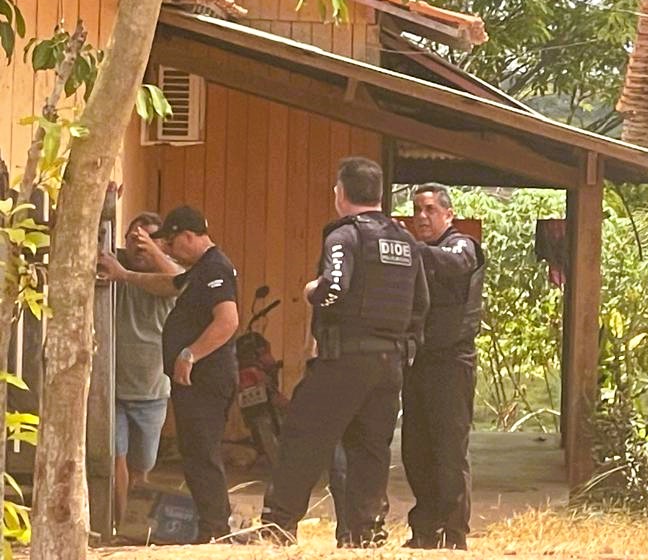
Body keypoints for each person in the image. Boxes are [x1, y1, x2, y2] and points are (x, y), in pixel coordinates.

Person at [258, 157, 428, 546]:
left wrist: (311, 292)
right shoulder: (406, 242)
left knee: (303, 435)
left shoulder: (345, 237)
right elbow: (422, 304)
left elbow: (334, 288)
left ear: (340, 193)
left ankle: (278, 525)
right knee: (370, 448)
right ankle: (365, 532)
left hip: (346, 358)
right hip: (390, 362)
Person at [99, 205, 240, 543]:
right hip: (194, 381)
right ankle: (210, 524)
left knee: (202, 452)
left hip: (207, 377)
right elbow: (169, 283)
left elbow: (228, 320)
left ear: (188, 236)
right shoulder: (199, 270)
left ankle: (215, 527)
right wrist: (125, 275)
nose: (170, 251)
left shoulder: (216, 268)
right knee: (194, 452)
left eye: (172, 244)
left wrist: (191, 354)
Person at [402, 183, 485, 551]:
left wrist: (411, 248)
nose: (422, 216)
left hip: (452, 362)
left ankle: (454, 534)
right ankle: (425, 530)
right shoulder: (417, 254)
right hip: (417, 362)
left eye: (430, 209)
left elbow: (454, 264)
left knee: (449, 450)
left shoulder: (461, 245)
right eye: (417, 210)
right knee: (416, 450)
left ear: (448, 214)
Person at [110, 212, 178, 528]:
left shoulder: (169, 276)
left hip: (153, 390)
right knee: (116, 460)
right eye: (134, 238)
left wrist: (151, 251)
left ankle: (134, 527)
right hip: (113, 390)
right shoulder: (114, 270)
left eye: (151, 237)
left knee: (142, 467)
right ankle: (119, 524)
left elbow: (179, 283)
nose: (140, 245)